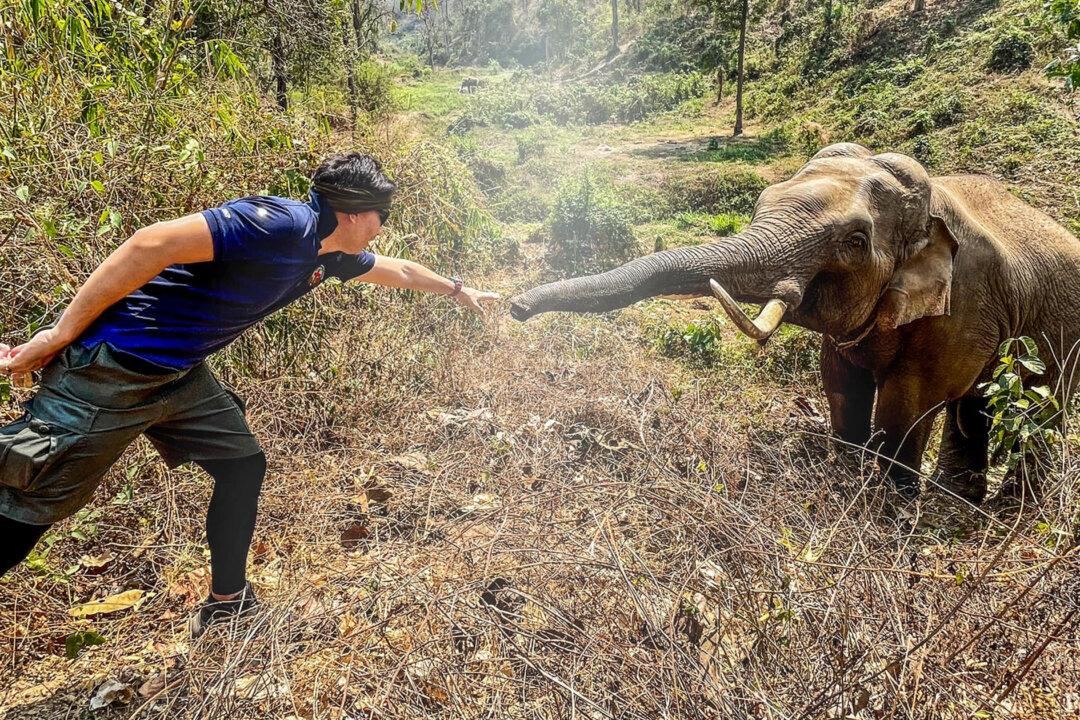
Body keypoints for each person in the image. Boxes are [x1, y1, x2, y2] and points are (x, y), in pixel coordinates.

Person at [0, 153, 498, 638]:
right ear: (350, 212)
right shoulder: (277, 224)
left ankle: (227, 605)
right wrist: (59, 334)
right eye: (380, 216)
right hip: (111, 371)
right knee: (31, 499)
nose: (382, 227)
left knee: (242, 464)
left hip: (181, 376)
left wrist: (459, 290)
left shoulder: (332, 255)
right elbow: (150, 243)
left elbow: (401, 271)